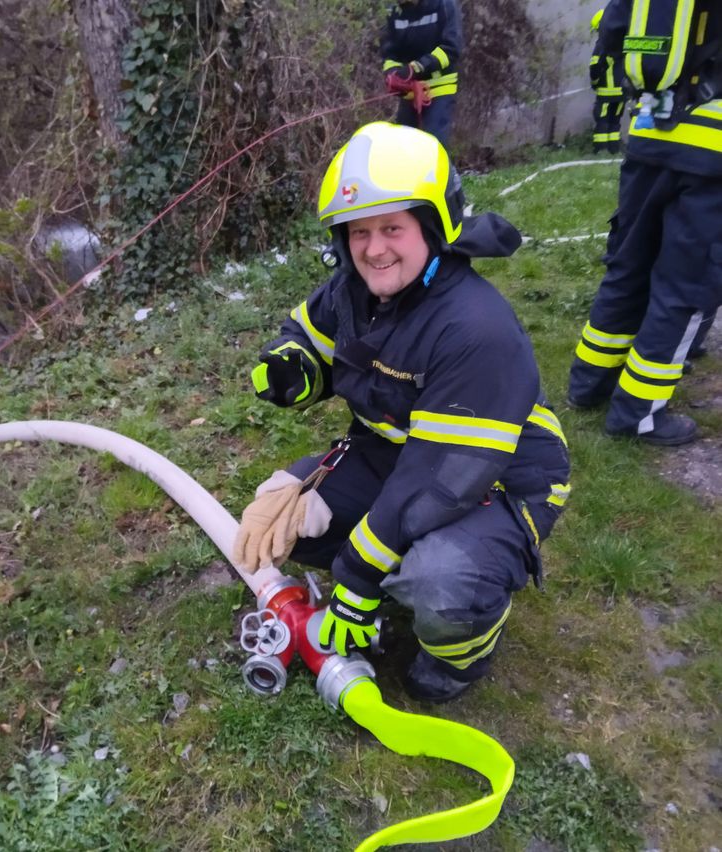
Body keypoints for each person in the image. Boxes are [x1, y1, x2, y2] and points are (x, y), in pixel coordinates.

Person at [233, 122, 571, 703]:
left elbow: (442, 477)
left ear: (433, 226)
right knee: (287, 515)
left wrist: (358, 581)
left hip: (494, 479)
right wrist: (294, 367)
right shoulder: (353, 291)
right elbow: (310, 334)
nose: (373, 247)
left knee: (440, 579)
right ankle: (392, 564)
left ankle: (465, 647)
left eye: (392, 227)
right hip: (395, 456)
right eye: (358, 231)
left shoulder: (474, 328)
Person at [568, 0, 721, 446]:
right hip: (711, 158)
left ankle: (588, 385)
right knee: (686, 289)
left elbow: (610, 31)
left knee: (628, 267)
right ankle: (638, 414)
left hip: (649, 137)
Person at [380, 0, 462, 147]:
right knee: (403, 148)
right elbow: (389, 53)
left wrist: (418, 67)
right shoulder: (393, 11)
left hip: (440, 88)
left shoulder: (444, 4)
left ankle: (448, 171)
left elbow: (451, 48)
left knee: (434, 146)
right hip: (410, 90)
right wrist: (393, 73)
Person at [589, 8, 626, 154]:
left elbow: (595, 66)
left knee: (602, 120)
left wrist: (594, 82)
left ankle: (601, 150)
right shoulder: (624, 43)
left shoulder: (602, 45)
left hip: (605, 91)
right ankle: (613, 149)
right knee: (615, 120)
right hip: (622, 91)